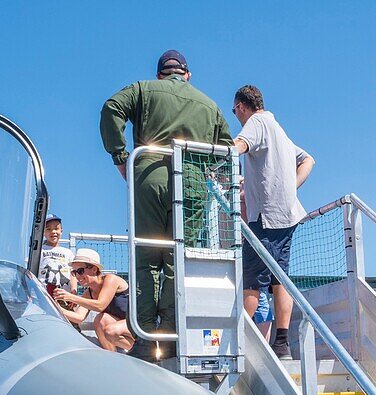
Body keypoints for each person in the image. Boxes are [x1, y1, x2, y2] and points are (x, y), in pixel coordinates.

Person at [100, 50, 233, 361]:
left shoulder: (143, 89)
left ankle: (146, 336)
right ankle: (172, 337)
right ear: (187, 74)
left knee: (146, 255)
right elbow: (226, 149)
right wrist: (204, 166)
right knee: (179, 258)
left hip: (149, 173)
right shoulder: (209, 105)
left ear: (161, 73)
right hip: (192, 180)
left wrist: (120, 156)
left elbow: (111, 108)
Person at [229, 84, 315, 360]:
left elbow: (240, 145)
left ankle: (236, 342)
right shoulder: (278, 130)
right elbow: (308, 160)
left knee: (252, 280)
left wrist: (219, 156)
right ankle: (281, 344)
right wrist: (290, 189)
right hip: (287, 215)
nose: (236, 116)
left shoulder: (256, 121)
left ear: (242, 106)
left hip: (265, 216)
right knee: (280, 279)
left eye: (234, 111)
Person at [54, 249, 133, 353]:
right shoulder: (89, 292)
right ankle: (113, 357)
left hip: (138, 324)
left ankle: (144, 350)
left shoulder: (111, 279)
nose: (78, 276)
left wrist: (70, 297)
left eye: (80, 271)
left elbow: (100, 305)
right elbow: (79, 317)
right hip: (123, 327)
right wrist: (55, 308)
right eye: (74, 273)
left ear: (94, 269)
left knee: (110, 330)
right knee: (100, 320)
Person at [38, 213, 74, 299]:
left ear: (61, 231)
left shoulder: (68, 253)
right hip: (43, 296)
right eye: (48, 229)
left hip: (64, 297)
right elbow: (31, 272)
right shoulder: (39, 250)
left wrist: (73, 292)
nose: (53, 232)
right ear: (43, 232)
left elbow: (73, 274)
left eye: (56, 228)